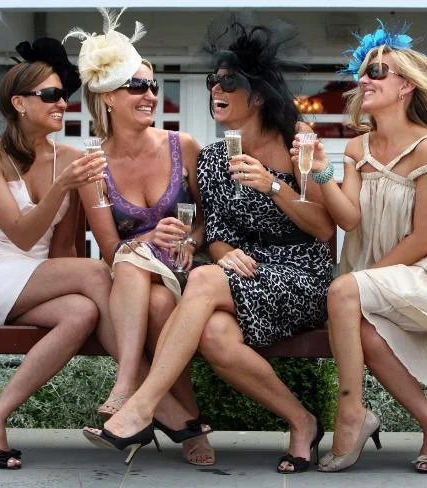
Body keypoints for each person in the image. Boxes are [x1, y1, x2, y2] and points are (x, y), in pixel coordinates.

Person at [84, 19, 335, 473]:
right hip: (247, 276)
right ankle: (303, 422)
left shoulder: (295, 144)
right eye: (212, 81)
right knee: (216, 335)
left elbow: (324, 229)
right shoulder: (216, 158)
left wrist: (273, 186)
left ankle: (140, 407)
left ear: (257, 95)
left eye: (228, 82)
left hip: (301, 274)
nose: (216, 89)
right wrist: (221, 253)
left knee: (201, 280)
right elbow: (215, 233)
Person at [294, 21, 427, 474]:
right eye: (363, 72)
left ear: (406, 86)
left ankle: (349, 414)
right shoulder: (357, 147)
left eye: (377, 71)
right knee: (362, 327)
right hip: (382, 277)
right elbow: (349, 218)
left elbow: (424, 239)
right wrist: (321, 170)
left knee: (344, 291)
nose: (364, 79)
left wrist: (365, 281)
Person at [0, 38, 115, 470]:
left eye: (64, 95)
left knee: (81, 311)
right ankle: (138, 390)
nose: (62, 103)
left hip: (34, 277)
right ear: (19, 103)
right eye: (51, 95)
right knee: (96, 273)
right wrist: (62, 186)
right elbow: (21, 235)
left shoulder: (71, 156)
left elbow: (60, 248)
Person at [64, 8, 214, 466]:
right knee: (154, 299)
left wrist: (189, 239)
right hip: (134, 278)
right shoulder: (94, 167)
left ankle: (128, 387)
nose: (150, 95)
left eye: (152, 86)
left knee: (157, 290)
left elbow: (210, 222)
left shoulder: (182, 146)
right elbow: (111, 248)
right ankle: (189, 423)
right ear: (108, 97)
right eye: (137, 86)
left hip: (188, 270)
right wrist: (150, 235)